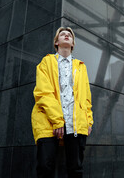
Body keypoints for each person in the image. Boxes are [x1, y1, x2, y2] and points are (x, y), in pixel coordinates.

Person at [31, 27, 93, 178]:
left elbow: (86, 97)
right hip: (48, 121)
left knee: (76, 169)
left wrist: (88, 120)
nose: (66, 35)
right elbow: (43, 93)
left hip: (76, 123)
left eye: (69, 35)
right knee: (45, 168)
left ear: (72, 44)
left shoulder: (81, 66)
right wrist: (58, 120)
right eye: (62, 34)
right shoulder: (46, 62)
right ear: (56, 42)